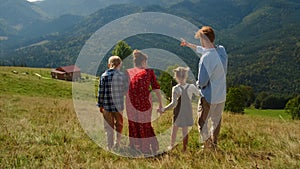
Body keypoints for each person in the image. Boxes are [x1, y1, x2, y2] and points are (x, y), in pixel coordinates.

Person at [180, 26, 228, 149]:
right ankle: (214, 144)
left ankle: (207, 146)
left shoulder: (205, 59)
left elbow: (202, 82)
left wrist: (195, 85)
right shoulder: (221, 51)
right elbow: (206, 49)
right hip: (221, 95)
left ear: (203, 39)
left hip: (208, 96)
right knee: (216, 121)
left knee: (202, 122)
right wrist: (189, 45)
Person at [126, 49, 163, 155]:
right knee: (144, 124)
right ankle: (145, 148)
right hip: (144, 102)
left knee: (134, 123)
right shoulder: (149, 72)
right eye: (146, 62)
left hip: (130, 102)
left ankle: (135, 146)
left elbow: (125, 89)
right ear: (143, 62)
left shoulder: (129, 72)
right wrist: (160, 103)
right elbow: (156, 88)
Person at [159, 67, 200, 152]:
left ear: (176, 77)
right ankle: (184, 149)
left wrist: (164, 109)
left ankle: (171, 146)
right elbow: (199, 94)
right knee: (185, 131)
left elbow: (173, 104)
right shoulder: (191, 87)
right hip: (187, 111)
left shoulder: (176, 88)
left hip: (178, 111)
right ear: (186, 76)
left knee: (174, 129)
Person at [97, 56, 129, 150]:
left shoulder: (104, 76)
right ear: (119, 65)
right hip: (119, 106)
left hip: (107, 106)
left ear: (109, 64)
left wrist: (100, 105)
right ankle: (117, 143)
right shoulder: (122, 76)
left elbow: (100, 92)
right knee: (119, 125)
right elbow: (126, 90)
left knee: (108, 126)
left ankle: (109, 146)